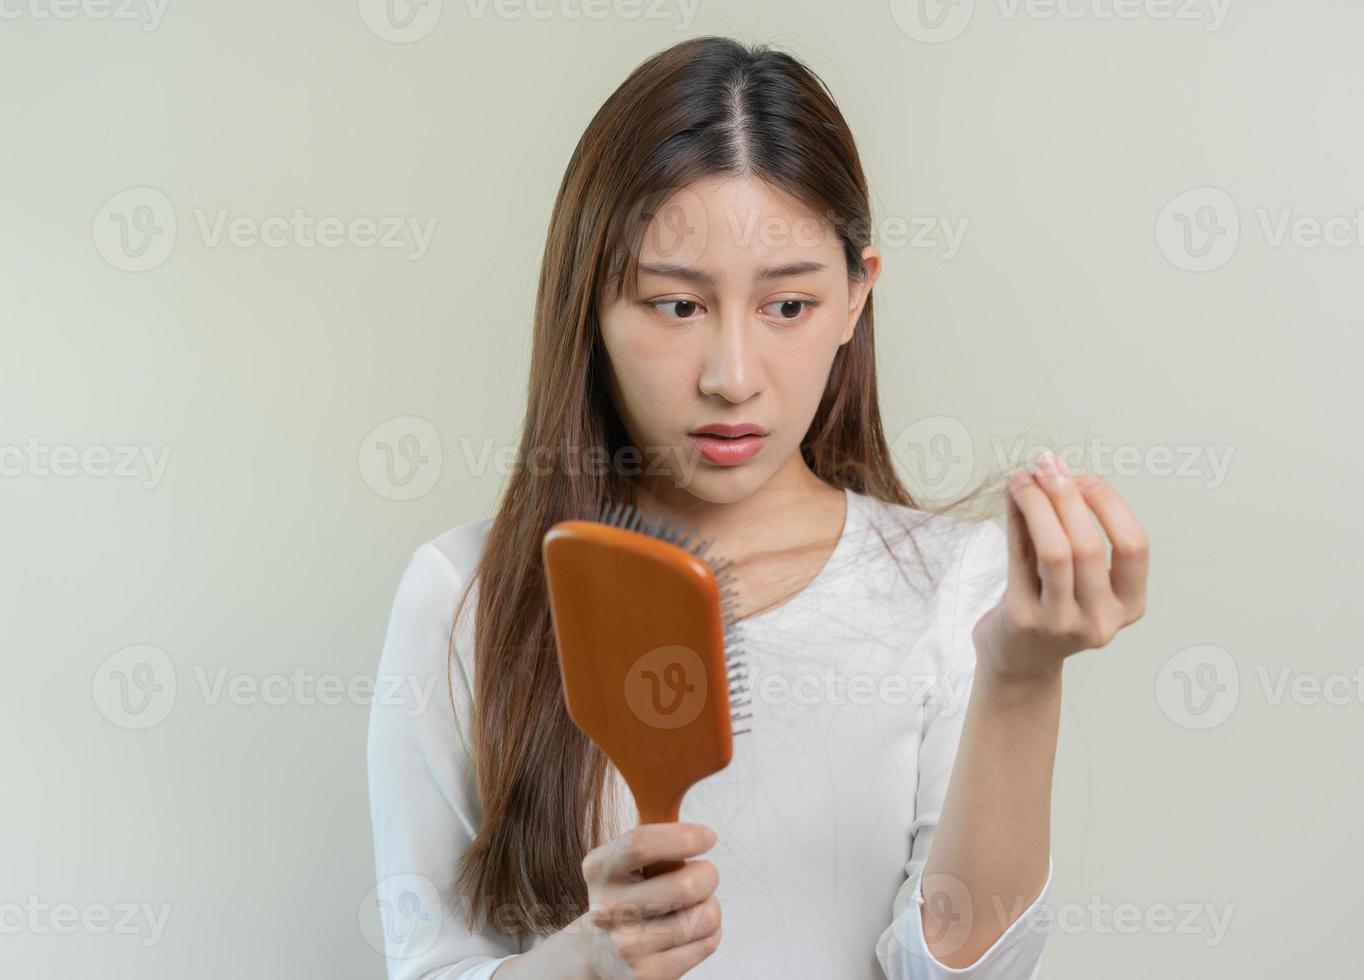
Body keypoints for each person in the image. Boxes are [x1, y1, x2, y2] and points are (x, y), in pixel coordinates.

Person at [367, 34, 1148, 980]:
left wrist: (1022, 679)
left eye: (788, 306)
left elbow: (952, 972)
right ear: (590, 305)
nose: (733, 380)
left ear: (857, 296)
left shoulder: (960, 587)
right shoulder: (466, 596)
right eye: (676, 306)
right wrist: (584, 964)